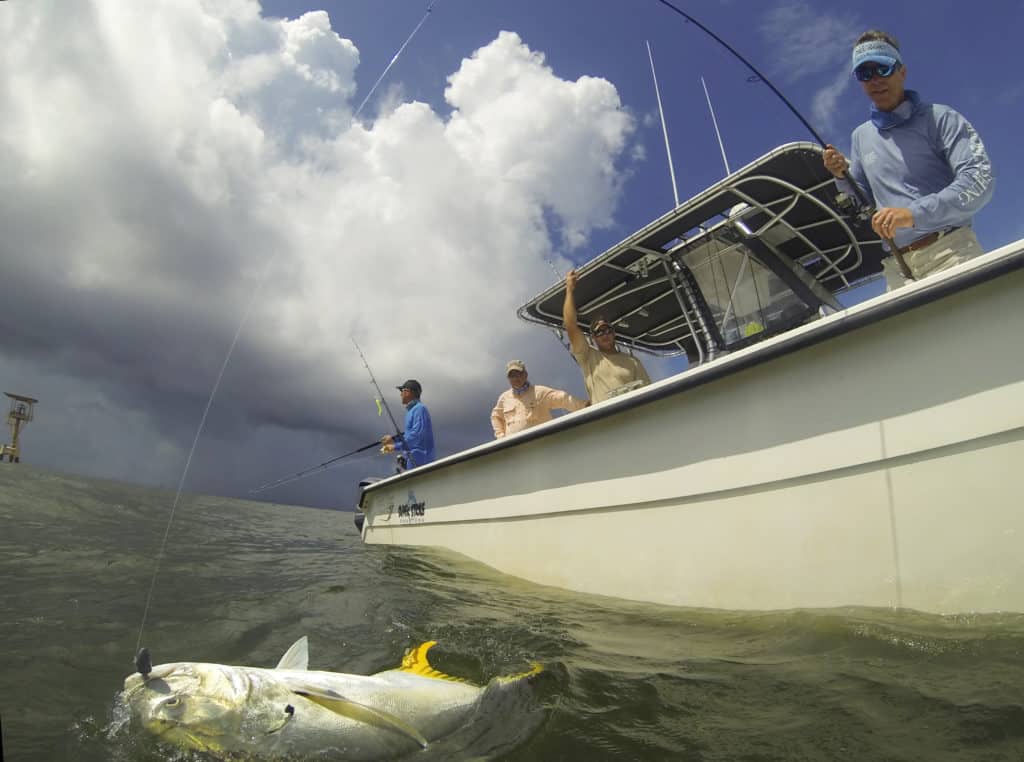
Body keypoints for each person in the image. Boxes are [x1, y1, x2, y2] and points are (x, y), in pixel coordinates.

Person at [822, 30, 994, 291]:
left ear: (901, 71)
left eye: (882, 68)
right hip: (897, 268)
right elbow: (862, 203)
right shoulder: (860, 137)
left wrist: (912, 214)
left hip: (950, 252)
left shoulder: (940, 118)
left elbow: (979, 182)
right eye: (864, 73)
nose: (875, 80)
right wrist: (839, 175)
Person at [562, 269, 651, 403]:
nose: (605, 334)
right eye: (599, 332)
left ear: (614, 333)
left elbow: (648, 392)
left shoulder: (633, 362)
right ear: (593, 338)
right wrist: (569, 289)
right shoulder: (588, 357)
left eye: (608, 330)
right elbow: (570, 325)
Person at [490, 360, 588, 439]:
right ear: (508, 378)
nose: (516, 378)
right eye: (512, 376)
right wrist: (501, 437)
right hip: (515, 449)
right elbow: (496, 417)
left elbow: (563, 398)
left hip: (541, 443)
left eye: (518, 374)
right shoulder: (504, 398)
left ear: (525, 374)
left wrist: (585, 407)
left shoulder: (540, 392)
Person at [380, 379, 435, 469]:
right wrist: (393, 440)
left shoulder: (420, 409)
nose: (400, 394)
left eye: (402, 391)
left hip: (421, 461)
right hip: (412, 461)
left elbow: (417, 435)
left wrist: (395, 446)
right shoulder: (411, 411)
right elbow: (409, 435)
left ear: (407, 392)